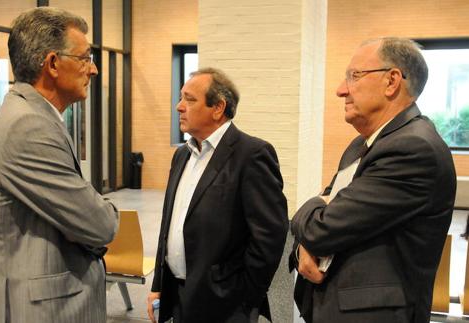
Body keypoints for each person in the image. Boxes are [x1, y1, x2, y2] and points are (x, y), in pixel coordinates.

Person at [290, 37, 456, 323]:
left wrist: (310, 218)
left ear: (392, 81)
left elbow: (322, 227)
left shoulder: (414, 149)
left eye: (354, 76)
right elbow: (328, 216)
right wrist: (304, 244)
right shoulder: (362, 144)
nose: (341, 90)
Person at [0, 7, 118, 323]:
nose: (92, 70)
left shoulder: (29, 117)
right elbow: (100, 224)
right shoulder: (28, 127)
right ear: (52, 63)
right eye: (85, 59)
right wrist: (97, 216)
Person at [147, 67, 289, 323]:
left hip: (225, 303)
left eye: (189, 99)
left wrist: (246, 297)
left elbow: (269, 236)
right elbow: (169, 226)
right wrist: (158, 284)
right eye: (181, 98)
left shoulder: (252, 154)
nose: (179, 106)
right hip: (178, 296)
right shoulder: (182, 155)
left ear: (218, 108)